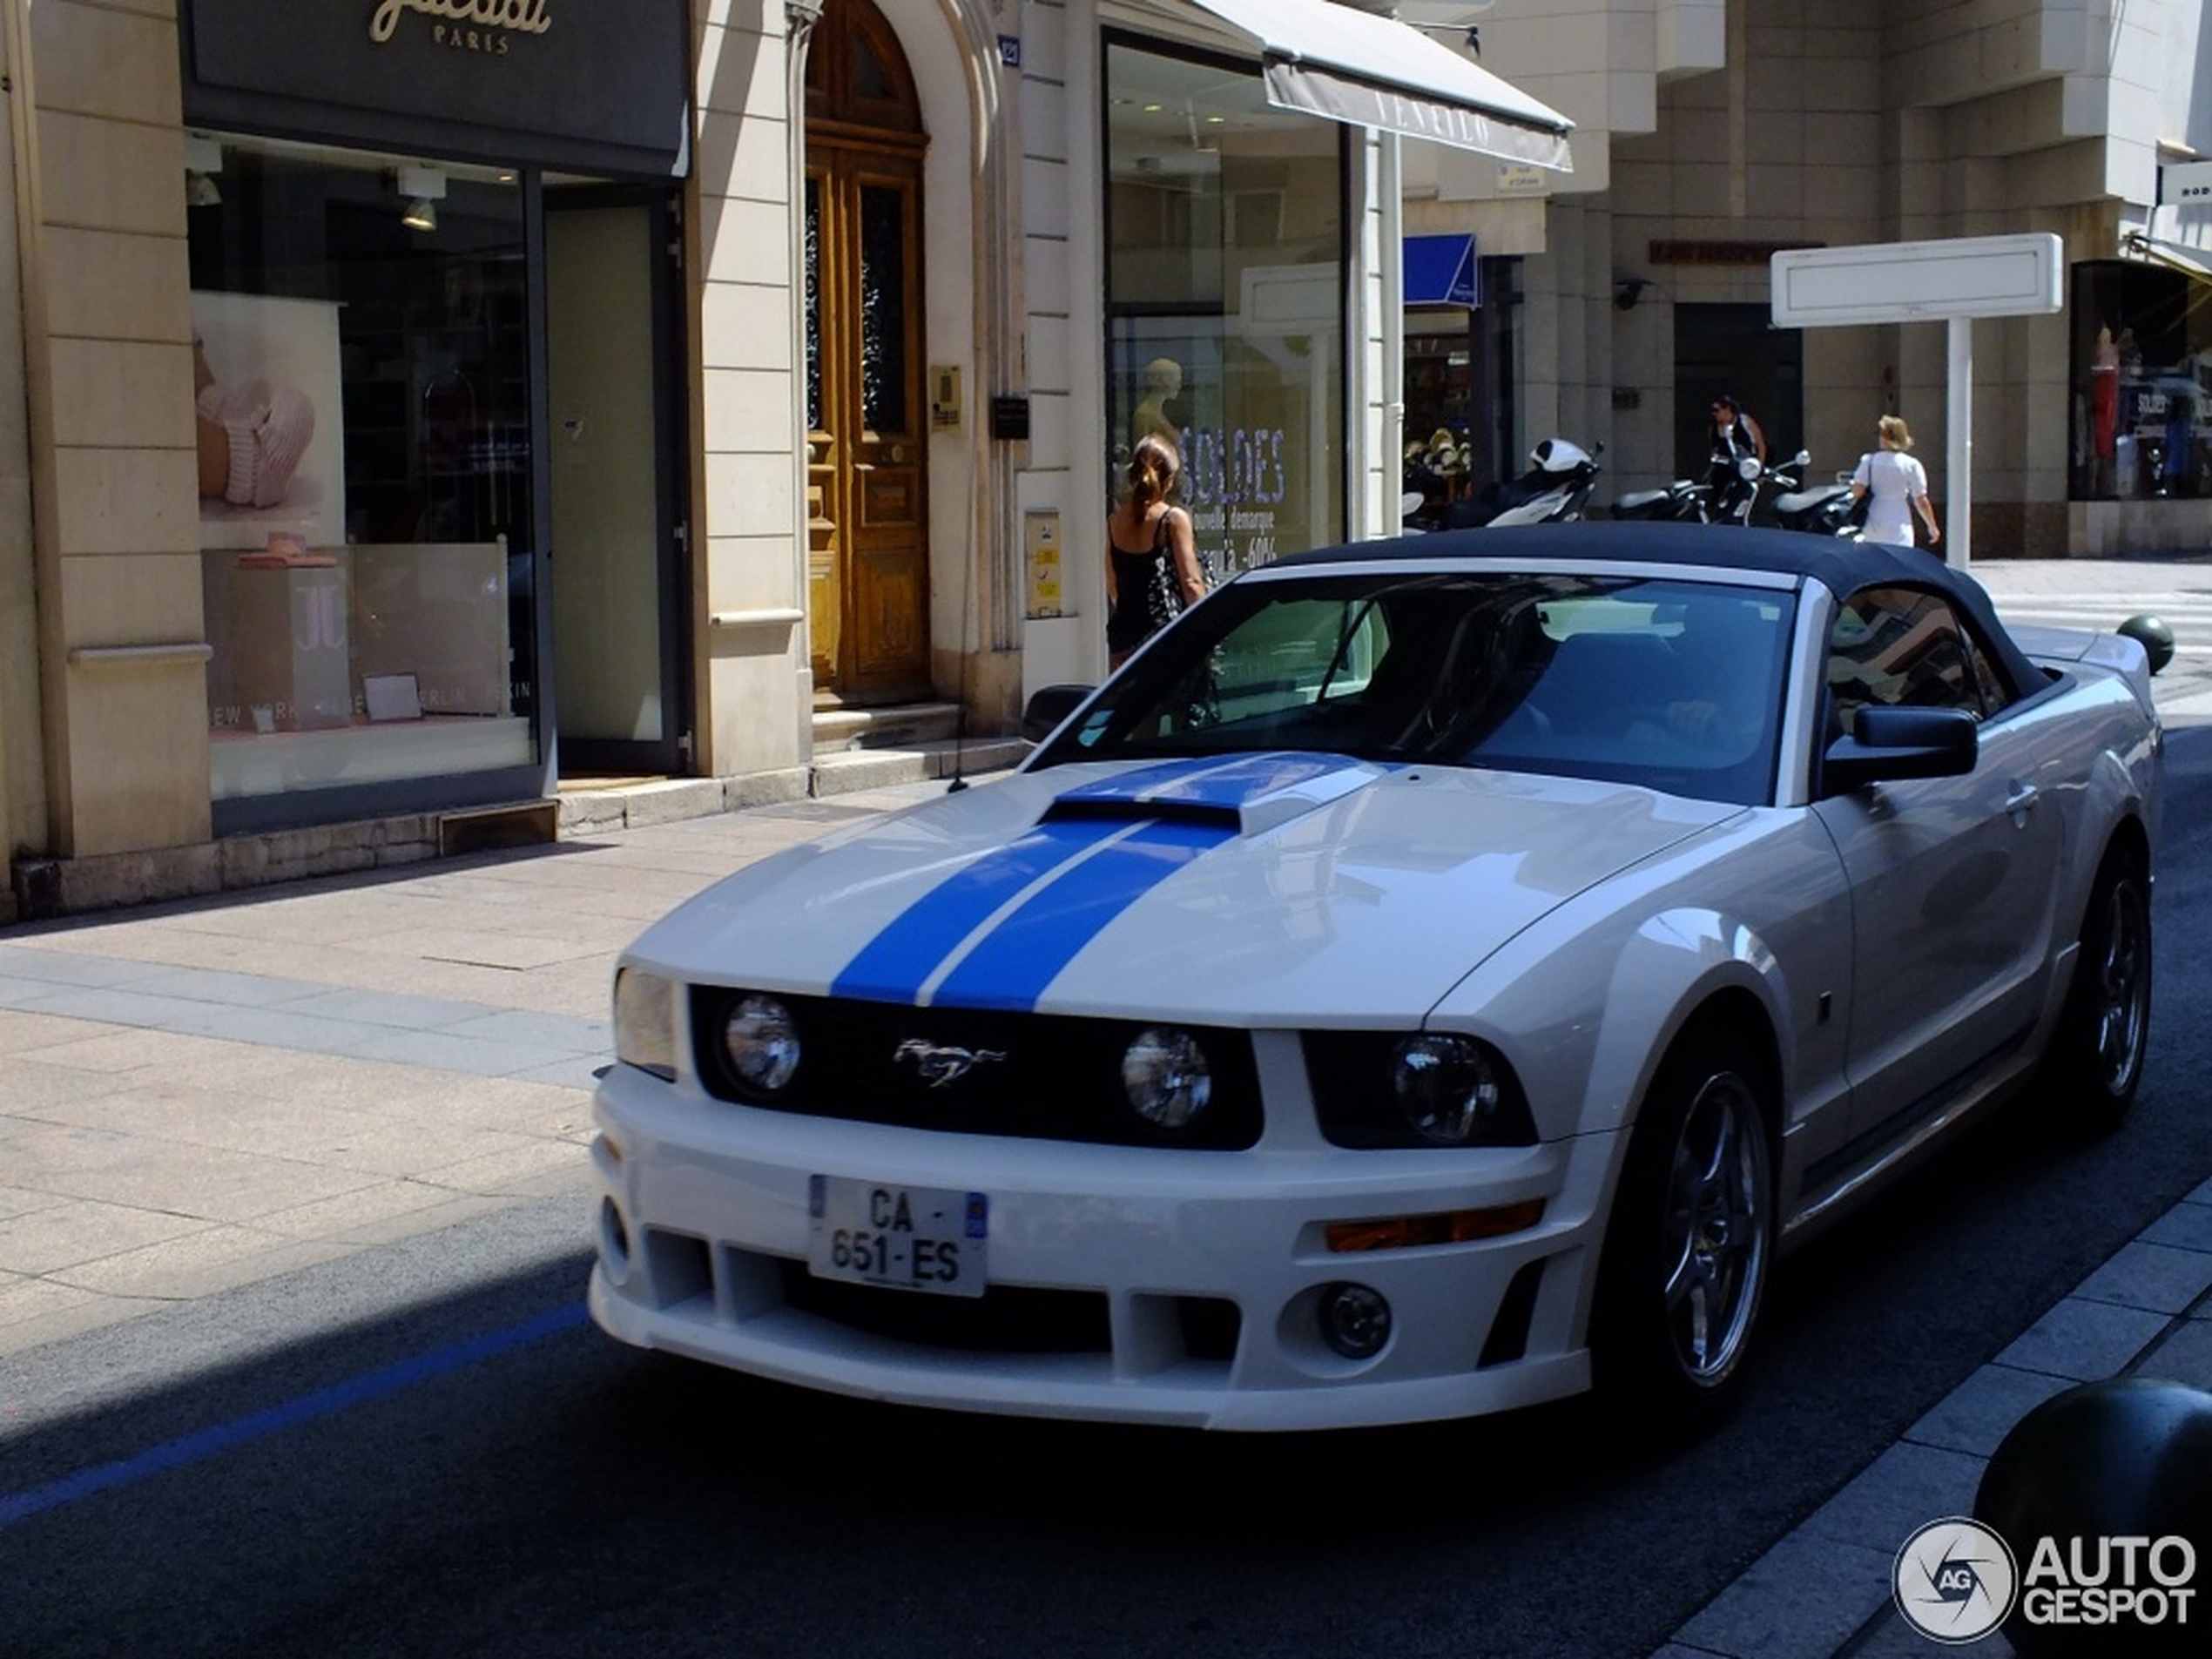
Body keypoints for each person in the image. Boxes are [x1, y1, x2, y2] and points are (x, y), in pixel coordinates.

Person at [1104, 434, 1204, 670]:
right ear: (1169, 480)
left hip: (1123, 641)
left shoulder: (1115, 522)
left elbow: (1113, 585)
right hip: (1163, 640)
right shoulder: (1173, 519)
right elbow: (1191, 583)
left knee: (1131, 706)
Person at [1849, 415, 1942, 552]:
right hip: (1900, 518)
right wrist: (1931, 526)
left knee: (1875, 562)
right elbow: (1921, 500)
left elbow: (1858, 490)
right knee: (1901, 562)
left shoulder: (1869, 461)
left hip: (1874, 518)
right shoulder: (1911, 465)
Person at [1704, 394, 1767, 520]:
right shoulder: (1713, 426)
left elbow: (1761, 445)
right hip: (1723, 467)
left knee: (1743, 495)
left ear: (1727, 409)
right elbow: (1713, 448)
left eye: (1717, 411)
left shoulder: (1745, 421)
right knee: (1714, 495)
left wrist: (1759, 469)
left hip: (1745, 467)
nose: (1714, 414)